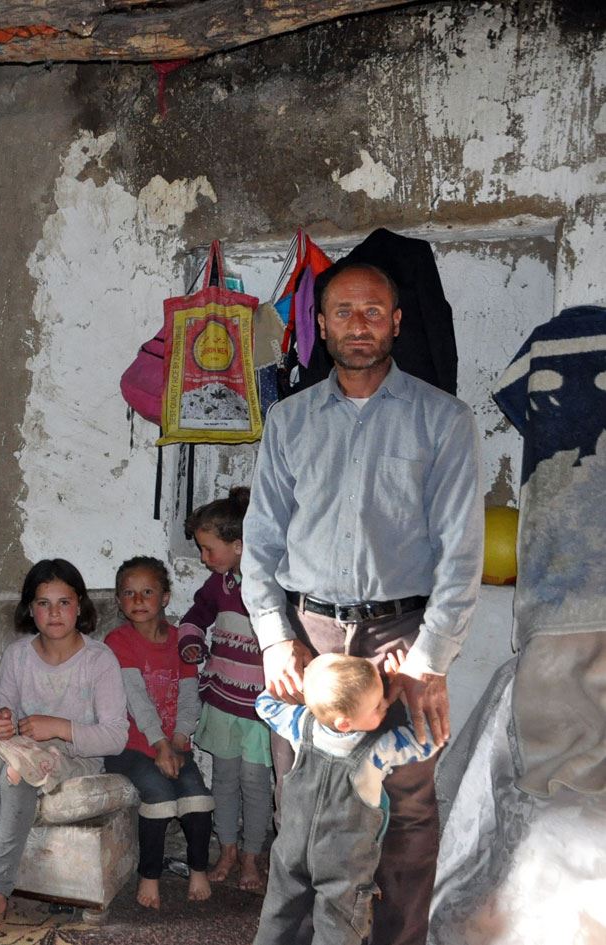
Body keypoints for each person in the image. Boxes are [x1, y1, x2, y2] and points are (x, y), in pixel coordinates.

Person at [241, 259, 483, 945]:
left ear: (396, 322)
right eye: (343, 311)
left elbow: (461, 552)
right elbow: (261, 541)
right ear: (320, 324)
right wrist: (274, 637)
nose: (358, 324)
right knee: (303, 803)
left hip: (402, 638)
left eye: (374, 311)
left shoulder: (443, 419)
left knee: (406, 806)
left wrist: (431, 659)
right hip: (307, 637)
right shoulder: (289, 420)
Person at [0, 558, 129, 931]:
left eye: (64, 602)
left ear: (80, 606)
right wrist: (0, 719)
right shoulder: (18, 654)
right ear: (30, 609)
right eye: (43, 603)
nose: (54, 613)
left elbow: (116, 736)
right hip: (21, 748)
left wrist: (59, 727)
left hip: (75, 757)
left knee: (15, 771)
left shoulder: (99, 660)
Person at [254, 653, 439, 945]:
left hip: (290, 851)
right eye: (377, 705)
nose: (385, 704)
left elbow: (264, 704)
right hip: (344, 865)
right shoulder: (378, 749)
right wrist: (406, 696)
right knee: (337, 932)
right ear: (344, 723)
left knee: (277, 917)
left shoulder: (300, 724)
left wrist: (305, 685)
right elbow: (429, 741)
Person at [102, 555, 214, 908]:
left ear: (165, 597)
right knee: (159, 794)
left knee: (197, 796)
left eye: (147, 592)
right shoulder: (118, 641)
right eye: (129, 593)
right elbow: (135, 698)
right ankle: (149, 875)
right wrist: (160, 744)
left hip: (174, 744)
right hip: (131, 746)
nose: (137, 600)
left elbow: (189, 696)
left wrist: (179, 741)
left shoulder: (182, 640)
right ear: (119, 600)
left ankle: (198, 868)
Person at [178, 486, 271, 893]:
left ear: (239, 545)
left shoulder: (272, 583)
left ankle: (252, 855)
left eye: (207, 549)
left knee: (256, 785)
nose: (203, 558)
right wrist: (191, 642)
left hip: (261, 709)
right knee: (224, 781)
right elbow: (194, 616)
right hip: (222, 702)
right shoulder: (219, 585)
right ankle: (228, 850)